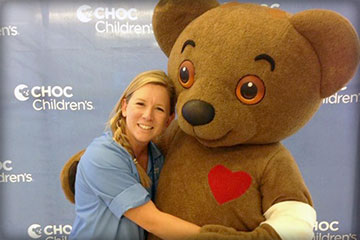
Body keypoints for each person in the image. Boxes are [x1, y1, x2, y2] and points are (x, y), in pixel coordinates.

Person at [69, 70, 200, 240]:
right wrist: (217, 237)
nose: (147, 116)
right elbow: (154, 222)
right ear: (124, 107)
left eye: (159, 109)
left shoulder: (157, 156)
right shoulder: (102, 155)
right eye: (140, 104)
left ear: (169, 120)